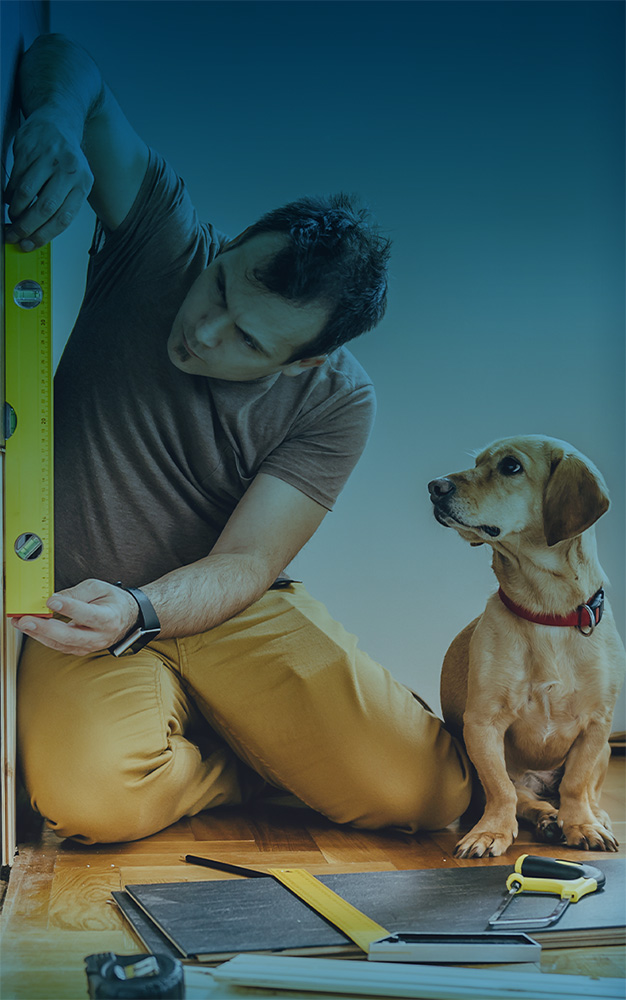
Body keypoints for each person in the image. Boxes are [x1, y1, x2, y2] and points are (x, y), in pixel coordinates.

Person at [7, 33, 471, 844]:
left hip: (220, 606)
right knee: (90, 806)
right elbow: (67, 60)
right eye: (221, 288)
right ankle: (247, 763)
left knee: (428, 798)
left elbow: (248, 562)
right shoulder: (162, 243)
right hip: (78, 609)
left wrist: (145, 608)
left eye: (250, 343)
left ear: (306, 360)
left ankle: (262, 744)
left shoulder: (338, 399)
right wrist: (49, 119)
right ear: (227, 249)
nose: (205, 332)